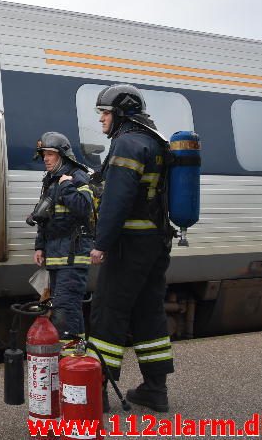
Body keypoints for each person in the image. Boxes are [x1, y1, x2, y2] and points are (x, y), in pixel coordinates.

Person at [88, 83, 174, 413]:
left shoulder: (126, 144)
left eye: (105, 113)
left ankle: (97, 392)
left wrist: (101, 244)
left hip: (128, 245)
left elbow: (117, 200)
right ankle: (155, 389)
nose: (102, 120)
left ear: (120, 113)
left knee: (108, 313)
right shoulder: (154, 140)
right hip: (155, 244)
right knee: (148, 312)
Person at [27, 132, 93, 351]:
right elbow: (44, 216)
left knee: (67, 306)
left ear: (63, 156)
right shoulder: (50, 180)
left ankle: (74, 355)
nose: (46, 158)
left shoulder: (77, 176)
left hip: (73, 256)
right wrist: (39, 246)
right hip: (55, 256)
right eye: (44, 154)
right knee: (57, 306)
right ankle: (65, 356)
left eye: (51, 154)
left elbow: (84, 209)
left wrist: (66, 186)